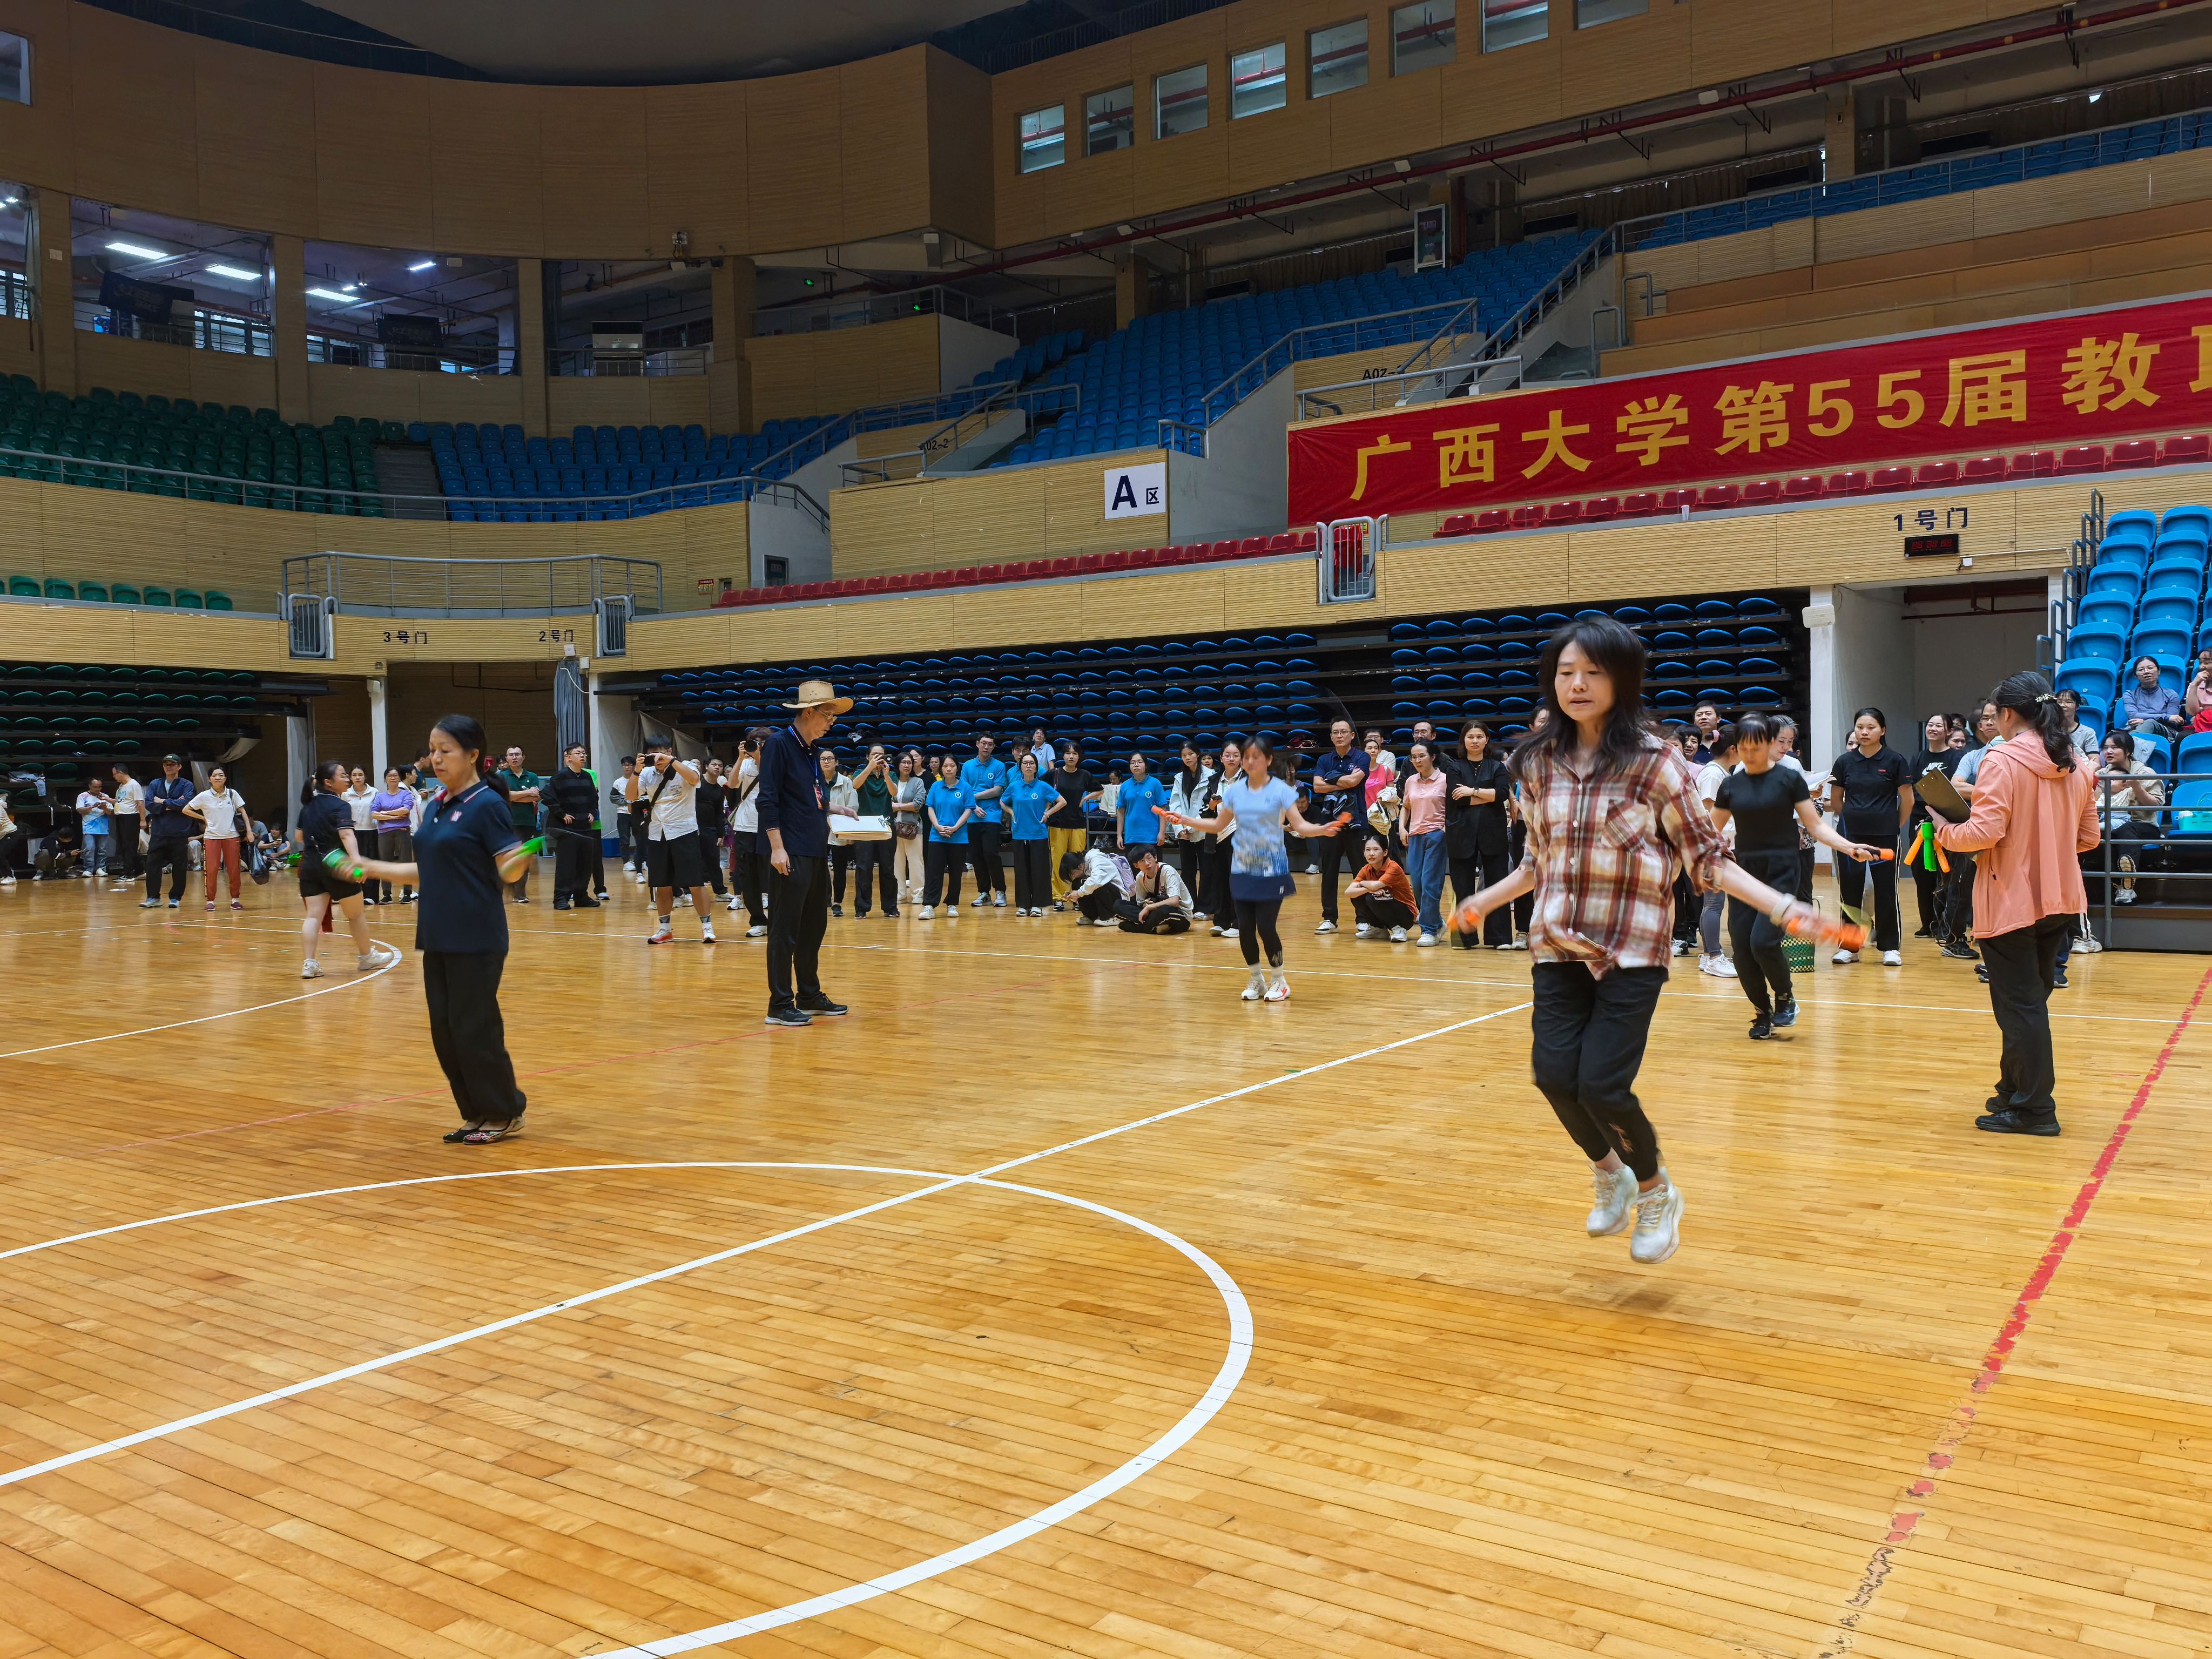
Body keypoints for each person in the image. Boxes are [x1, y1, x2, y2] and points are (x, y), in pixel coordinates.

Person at [1448, 618, 1854, 1266]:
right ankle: (1609, 1172)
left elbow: (1707, 858)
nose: (1577, 685)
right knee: (1553, 1076)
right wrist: (1484, 900)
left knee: (1601, 1086)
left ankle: (1656, 1190)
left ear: (1622, 679)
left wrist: (1785, 906)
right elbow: (1534, 861)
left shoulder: (1656, 762)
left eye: (1593, 672)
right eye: (1565, 672)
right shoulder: (1535, 762)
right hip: (1556, 944)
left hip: (1631, 950)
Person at [333, 714, 534, 1143]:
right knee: (445, 1031)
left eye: (446, 750)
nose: (435, 759)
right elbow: (428, 869)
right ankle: (476, 1111)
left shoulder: (487, 804)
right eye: (432, 751)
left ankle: (504, 1111)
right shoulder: (439, 804)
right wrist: (370, 867)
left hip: (476, 933)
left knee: (474, 1027)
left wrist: (518, 860)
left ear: (473, 755)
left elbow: (509, 871)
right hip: (438, 930)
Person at [1936, 671, 2100, 1136]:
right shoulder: (2076, 761)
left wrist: (1944, 829)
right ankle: (2013, 1090)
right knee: (2027, 1004)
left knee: (2021, 1008)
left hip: (2011, 898)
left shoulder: (2002, 759)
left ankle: (2035, 1110)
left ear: (2007, 714)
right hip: (2062, 898)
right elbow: (2089, 837)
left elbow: (1984, 833)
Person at [1709, 713, 1884, 1038]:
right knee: (1742, 950)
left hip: (1783, 871)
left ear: (1769, 744)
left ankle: (1785, 996)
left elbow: (1815, 826)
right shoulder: (1731, 785)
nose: (1750, 755)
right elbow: (1710, 830)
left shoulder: (1789, 780)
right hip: (1747, 875)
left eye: (1756, 748)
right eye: (1744, 748)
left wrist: (1849, 847)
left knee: (1762, 942)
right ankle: (1762, 1013)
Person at [1164, 734, 1337, 1002]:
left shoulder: (1281, 790)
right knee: (1245, 928)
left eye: (1256, 757)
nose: (1250, 761)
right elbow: (1218, 825)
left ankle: (1279, 980)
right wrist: (1186, 819)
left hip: (1272, 870)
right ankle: (1257, 979)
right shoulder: (1234, 792)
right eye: (1247, 757)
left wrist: (1323, 829)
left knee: (1266, 927)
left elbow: (1300, 826)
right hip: (1242, 868)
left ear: (1268, 760)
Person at [756, 680, 849, 1026]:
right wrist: (777, 848)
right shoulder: (779, 744)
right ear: (808, 712)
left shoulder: (812, 750)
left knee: (814, 926)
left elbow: (809, 796)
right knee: (785, 929)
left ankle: (809, 995)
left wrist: (835, 809)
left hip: (814, 848)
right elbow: (768, 799)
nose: (831, 722)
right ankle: (779, 1004)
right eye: (828, 715)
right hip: (790, 850)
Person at [293, 759, 399, 980]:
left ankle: (309, 964)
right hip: (337, 864)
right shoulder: (341, 805)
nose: (347, 778)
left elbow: (299, 837)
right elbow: (347, 835)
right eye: (342, 775)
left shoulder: (308, 805)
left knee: (313, 917)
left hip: (311, 865)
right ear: (328, 782)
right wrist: (357, 862)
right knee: (356, 915)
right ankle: (367, 957)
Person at [1826, 707, 1912, 966]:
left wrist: (1893, 825)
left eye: (1871, 727)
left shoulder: (1895, 760)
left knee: (1886, 891)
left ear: (1882, 731)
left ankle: (1890, 948)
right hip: (1850, 838)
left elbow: (1907, 799)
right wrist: (1851, 821)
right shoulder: (1845, 762)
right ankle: (1849, 947)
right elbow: (1836, 800)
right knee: (1849, 891)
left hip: (1885, 837)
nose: (1864, 732)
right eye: (1860, 727)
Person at [628, 738, 718, 946]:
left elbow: (695, 780)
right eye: (653, 754)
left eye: (661, 753)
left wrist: (672, 761)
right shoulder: (646, 773)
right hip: (657, 833)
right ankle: (665, 929)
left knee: (696, 883)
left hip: (684, 832)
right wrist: (637, 771)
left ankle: (707, 928)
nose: (657, 758)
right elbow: (631, 796)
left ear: (669, 751)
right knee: (662, 884)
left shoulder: (686, 766)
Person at [1445, 720, 1514, 946]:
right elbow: (1458, 799)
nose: (1475, 741)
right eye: (1470, 737)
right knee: (1462, 887)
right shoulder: (1455, 767)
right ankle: (1464, 938)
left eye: (1479, 737)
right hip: (1461, 833)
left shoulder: (1497, 767)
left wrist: (1472, 791)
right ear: (1464, 741)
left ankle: (1499, 937)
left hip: (1493, 832)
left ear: (1487, 740)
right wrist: (1487, 795)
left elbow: (1502, 794)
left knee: (1497, 886)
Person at [1942, 701, 2002, 959]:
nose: (1988, 723)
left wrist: (1976, 792)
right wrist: (1991, 793)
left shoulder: (2015, 754)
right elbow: (1956, 786)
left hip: (2005, 833)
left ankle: (1995, 942)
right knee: (1962, 887)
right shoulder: (1972, 756)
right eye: (1984, 719)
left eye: (1993, 717)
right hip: (1972, 829)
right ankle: (1954, 940)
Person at [2091, 728, 2166, 907]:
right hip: (2108, 825)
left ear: (2129, 752)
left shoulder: (2145, 773)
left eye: (2115, 747)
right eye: (2105, 748)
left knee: (2124, 829)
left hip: (2143, 826)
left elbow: (2156, 805)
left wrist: (2137, 787)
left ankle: (2126, 887)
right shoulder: (2102, 775)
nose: (2108, 752)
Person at [1907, 713, 1965, 942]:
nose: (1932, 728)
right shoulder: (1919, 757)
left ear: (1948, 731)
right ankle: (1927, 923)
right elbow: (1911, 788)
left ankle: (1945, 924)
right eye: (1930, 724)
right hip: (1920, 822)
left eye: (1938, 725)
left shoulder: (1956, 757)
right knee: (1922, 872)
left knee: (1946, 873)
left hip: (1946, 821)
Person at [1307, 719, 1368, 934]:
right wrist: (1343, 780)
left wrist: (1331, 780)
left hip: (1357, 822)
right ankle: (1329, 919)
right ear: (1331, 736)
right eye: (1335, 732)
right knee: (1329, 872)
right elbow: (1317, 787)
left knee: (1360, 871)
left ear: (1352, 735)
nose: (1339, 735)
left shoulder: (1362, 757)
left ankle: (1364, 918)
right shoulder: (1324, 759)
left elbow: (1354, 783)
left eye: (1343, 732)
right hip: (1330, 824)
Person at [1398, 740, 1449, 945]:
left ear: (1433, 757)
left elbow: (1454, 809)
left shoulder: (1445, 780)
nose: (1417, 760)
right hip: (1415, 836)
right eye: (1414, 757)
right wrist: (1402, 828)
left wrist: (1444, 831)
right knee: (1417, 884)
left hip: (1436, 835)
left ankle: (1429, 930)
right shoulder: (1411, 781)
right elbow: (1406, 806)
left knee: (1430, 884)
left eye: (1422, 756)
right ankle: (1437, 922)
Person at [184, 766, 251, 912]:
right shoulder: (204, 796)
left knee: (234, 869)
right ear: (209, 779)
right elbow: (186, 809)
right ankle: (211, 901)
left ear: (225, 778)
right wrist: (203, 818)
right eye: (214, 775)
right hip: (212, 837)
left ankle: (235, 899)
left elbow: (243, 812)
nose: (218, 778)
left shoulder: (232, 794)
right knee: (212, 869)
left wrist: (249, 831)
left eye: (221, 775)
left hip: (232, 836)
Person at [1003, 750, 1062, 915]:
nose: (1028, 766)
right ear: (1020, 767)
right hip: (1019, 834)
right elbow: (1002, 801)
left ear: (1036, 767)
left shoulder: (1043, 786)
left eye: (1031, 763)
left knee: (1039, 871)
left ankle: (1038, 905)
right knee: (1021, 871)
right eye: (1025, 763)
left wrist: (1047, 814)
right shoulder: (1014, 786)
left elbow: (1061, 801)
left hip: (1038, 834)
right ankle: (1023, 905)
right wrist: (1012, 812)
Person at [546, 744, 602, 911]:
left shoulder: (587, 777)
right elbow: (547, 796)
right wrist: (561, 814)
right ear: (568, 757)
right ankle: (561, 899)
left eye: (584, 753)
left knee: (585, 864)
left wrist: (592, 812)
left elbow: (594, 798)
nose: (582, 756)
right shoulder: (560, 777)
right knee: (566, 865)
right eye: (578, 753)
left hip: (585, 827)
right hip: (567, 829)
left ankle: (581, 897)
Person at [960, 732, 1009, 908]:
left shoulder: (999, 766)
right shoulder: (967, 766)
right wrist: (973, 806)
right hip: (971, 818)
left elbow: (997, 790)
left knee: (991, 854)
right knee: (976, 856)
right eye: (984, 743)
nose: (986, 747)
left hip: (992, 817)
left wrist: (973, 798)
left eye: (990, 744)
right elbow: (963, 791)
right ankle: (984, 893)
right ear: (977, 744)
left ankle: (1001, 891)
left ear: (994, 747)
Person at [921, 753, 974, 920]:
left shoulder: (966, 788)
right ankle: (929, 905)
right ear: (941, 768)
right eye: (945, 766)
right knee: (933, 872)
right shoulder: (936, 787)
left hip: (958, 838)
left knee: (956, 872)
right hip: (937, 836)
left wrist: (956, 827)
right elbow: (930, 808)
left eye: (952, 766)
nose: (949, 769)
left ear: (957, 768)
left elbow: (968, 810)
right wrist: (937, 826)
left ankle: (952, 904)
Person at [726, 731, 767, 935]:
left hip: (769, 826)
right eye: (754, 743)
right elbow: (732, 784)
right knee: (748, 877)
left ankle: (778, 921)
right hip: (745, 826)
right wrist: (741, 757)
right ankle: (758, 921)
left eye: (761, 743)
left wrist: (759, 757)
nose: (757, 746)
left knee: (771, 875)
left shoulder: (775, 762)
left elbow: (771, 779)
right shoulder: (744, 763)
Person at [490, 747, 543, 902]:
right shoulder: (501, 777)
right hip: (505, 822)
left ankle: (520, 895)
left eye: (517, 755)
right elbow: (503, 796)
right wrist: (526, 793)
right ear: (507, 758)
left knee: (523, 858)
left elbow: (537, 797)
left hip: (527, 822)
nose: (514, 757)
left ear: (523, 757)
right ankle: (497, 893)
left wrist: (514, 796)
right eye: (511, 755)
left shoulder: (532, 777)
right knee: (503, 857)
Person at [141, 754, 194, 908]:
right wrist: (171, 806)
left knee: (179, 866)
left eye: (172, 764)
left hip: (179, 832)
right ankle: (153, 897)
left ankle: (175, 897)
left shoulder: (187, 785)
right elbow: (149, 804)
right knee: (152, 865)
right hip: (159, 832)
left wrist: (163, 801)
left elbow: (185, 804)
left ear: (179, 766)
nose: (169, 767)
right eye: (166, 764)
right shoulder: (155, 784)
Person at [850, 743, 896, 918]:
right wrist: (870, 767)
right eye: (875, 754)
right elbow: (855, 785)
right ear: (868, 757)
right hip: (865, 826)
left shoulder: (890, 773)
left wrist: (887, 776)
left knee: (888, 869)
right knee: (864, 868)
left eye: (881, 754)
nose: (878, 757)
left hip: (886, 825)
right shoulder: (860, 772)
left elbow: (894, 792)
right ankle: (862, 908)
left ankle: (890, 907)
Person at [1047, 742, 1095, 907]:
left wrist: (1086, 798)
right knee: (1058, 861)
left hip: (1078, 824)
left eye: (1075, 753)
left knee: (1078, 863)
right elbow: (1040, 788)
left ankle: (1077, 896)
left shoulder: (1084, 775)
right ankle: (1058, 897)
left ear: (1079, 757)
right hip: (1057, 824)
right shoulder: (1054, 774)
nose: (1071, 756)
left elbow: (1100, 789)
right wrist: (1047, 808)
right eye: (1068, 753)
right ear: (1063, 756)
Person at [1165, 741, 1213, 907]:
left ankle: (1206, 907)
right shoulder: (1179, 778)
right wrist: (1180, 828)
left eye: (1191, 754)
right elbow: (1175, 804)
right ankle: (1190, 905)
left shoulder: (1211, 776)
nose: (1188, 758)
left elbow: (1208, 806)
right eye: (1184, 755)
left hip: (1204, 830)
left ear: (1198, 754)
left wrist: (1192, 826)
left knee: (1207, 870)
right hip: (1184, 833)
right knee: (1187, 871)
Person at [1201, 738, 1241, 933]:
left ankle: (1239, 923)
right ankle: (1222, 921)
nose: (1231, 759)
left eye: (1236, 755)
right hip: (1217, 836)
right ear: (1221, 758)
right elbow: (1204, 812)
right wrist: (1211, 807)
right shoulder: (1214, 781)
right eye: (1228, 755)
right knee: (1220, 880)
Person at [1345, 834, 1417, 941]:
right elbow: (1348, 892)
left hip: (1406, 915)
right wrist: (1368, 889)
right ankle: (1378, 929)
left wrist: (1363, 883)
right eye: (1368, 850)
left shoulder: (1393, 867)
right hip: (1386, 909)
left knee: (1372, 897)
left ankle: (1399, 930)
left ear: (1385, 853)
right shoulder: (1366, 869)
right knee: (1358, 896)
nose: (1371, 854)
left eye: (1376, 849)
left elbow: (1375, 886)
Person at [371, 766, 421, 904]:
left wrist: (385, 814)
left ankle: (407, 893)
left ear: (400, 778)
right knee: (385, 863)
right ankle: (387, 894)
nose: (393, 778)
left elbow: (405, 810)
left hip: (402, 831)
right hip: (384, 832)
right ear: (385, 779)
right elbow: (374, 814)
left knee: (405, 861)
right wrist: (393, 816)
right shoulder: (380, 796)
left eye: (395, 775)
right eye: (390, 776)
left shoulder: (406, 794)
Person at [819, 750, 858, 916]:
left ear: (837, 762)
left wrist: (850, 835)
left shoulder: (846, 782)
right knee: (819, 866)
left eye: (830, 759)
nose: (826, 762)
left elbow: (853, 807)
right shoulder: (815, 781)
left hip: (840, 829)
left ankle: (838, 902)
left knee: (840, 868)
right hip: (819, 830)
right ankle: (825, 898)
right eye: (823, 759)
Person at [1121, 845, 1193, 933]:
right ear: (1136, 865)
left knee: (1163, 911)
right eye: (1142, 861)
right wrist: (1147, 905)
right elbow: (1141, 903)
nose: (1147, 863)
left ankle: (1141, 928)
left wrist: (1150, 907)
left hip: (1180, 914)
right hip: (1155, 911)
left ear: (1155, 858)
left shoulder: (1168, 871)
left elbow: (1175, 901)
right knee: (1119, 905)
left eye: (1149, 858)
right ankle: (1154, 927)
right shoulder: (1140, 877)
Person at [890, 748, 927, 915]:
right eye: (904, 762)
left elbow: (918, 804)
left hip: (912, 828)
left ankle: (918, 893)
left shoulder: (917, 782)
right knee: (897, 863)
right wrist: (902, 807)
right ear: (898, 765)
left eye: (910, 763)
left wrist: (897, 807)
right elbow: (886, 803)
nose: (907, 765)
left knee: (916, 861)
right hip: (893, 828)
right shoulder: (892, 782)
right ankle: (900, 894)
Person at [1061, 842, 1132, 926]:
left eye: (1072, 874)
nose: (1074, 877)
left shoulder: (1098, 860)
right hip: (1103, 895)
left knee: (1099, 886)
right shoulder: (1084, 866)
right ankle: (1091, 916)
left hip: (1118, 898)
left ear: (1079, 866)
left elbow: (1096, 881)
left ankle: (1109, 917)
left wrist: (1079, 893)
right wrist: (1073, 895)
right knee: (1078, 883)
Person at [1116, 751, 1166, 862]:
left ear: (1146, 765)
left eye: (1140, 762)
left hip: (1152, 837)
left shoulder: (1155, 784)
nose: (1136, 765)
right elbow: (1121, 812)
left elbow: (1163, 810)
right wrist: (1119, 835)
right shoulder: (1125, 786)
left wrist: (1162, 832)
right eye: (1133, 763)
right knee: (1133, 870)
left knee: (1153, 870)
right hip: (1131, 837)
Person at [2120, 655, 2185, 739]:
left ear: (2159, 671)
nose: (2146, 672)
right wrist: (2166, 717)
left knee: (2150, 724)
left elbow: (2173, 721)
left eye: (2150, 668)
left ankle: (2129, 743)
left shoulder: (2171, 694)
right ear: (2136, 676)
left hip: (2165, 731)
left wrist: (2145, 721)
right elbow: (2133, 715)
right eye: (2141, 670)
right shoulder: (2129, 695)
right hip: (2136, 727)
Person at [694, 757, 731, 900]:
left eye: (720, 766)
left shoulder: (719, 790)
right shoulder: (697, 783)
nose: (717, 767)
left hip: (710, 829)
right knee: (692, 860)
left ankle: (720, 892)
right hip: (693, 827)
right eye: (714, 765)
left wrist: (721, 834)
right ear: (706, 767)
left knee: (714, 861)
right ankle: (687, 892)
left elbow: (719, 813)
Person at [107, 763, 143, 889]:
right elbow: (121, 801)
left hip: (131, 818)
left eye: (115, 774)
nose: (114, 777)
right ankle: (140, 870)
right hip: (121, 818)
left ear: (121, 773)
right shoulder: (122, 787)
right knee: (123, 846)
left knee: (129, 846)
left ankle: (128, 874)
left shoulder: (134, 785)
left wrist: (143, 820)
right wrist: (109, 800)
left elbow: (140, 803)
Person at [75, 774, 115, 882]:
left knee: (102, 849)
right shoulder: (82, 796)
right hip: (88, 826)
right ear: (89, 786)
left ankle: (100, 868)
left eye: (99, 787)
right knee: (89, 848)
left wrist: (104, 808)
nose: (98, 789)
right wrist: (92, 807)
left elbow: (111, 813)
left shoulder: (105, 797)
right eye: (95, 787)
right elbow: (79, 810)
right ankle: (88, 869)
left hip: (103, 827)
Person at [612, 755, 642, 878]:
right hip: (623, 813)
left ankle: (642, 860)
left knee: (640, 838)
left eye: (630, 765)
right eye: (625, 765)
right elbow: (613, 798)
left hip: (637, 813)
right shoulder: (618, 782)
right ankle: (626, 862)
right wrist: (627, 800)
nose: (627, 767)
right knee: (624, 838)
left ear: (634, 766)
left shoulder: (640, 780)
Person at [2053, 687, 2097, 759]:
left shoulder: (2088, 733)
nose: (2063, 705)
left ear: (2077, 707)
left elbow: (2095, 761)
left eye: (2068, 702)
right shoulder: (2049, 730)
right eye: (2059, 702)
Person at [2186, 647, 2212, 731]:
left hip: (2201, 722)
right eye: (2201, 663)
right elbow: (2192, 712)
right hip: (2201, 726)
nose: (2202, 667)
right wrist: (2195, 685)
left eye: (2207, 663)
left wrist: (2201, 717)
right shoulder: (2194, 685)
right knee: (2182, 736)